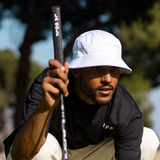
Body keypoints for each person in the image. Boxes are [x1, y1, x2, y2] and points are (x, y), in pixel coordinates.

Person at [4, 30, 159, 160]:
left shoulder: (126, 112)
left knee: (148, 139)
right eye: (98, 68)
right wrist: (45, 107)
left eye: (114, 69)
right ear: (76, 70)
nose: (108, 79)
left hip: (92, 155)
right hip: (52, 153)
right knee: (43, 150)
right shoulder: (51, 84)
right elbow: (20, 156)